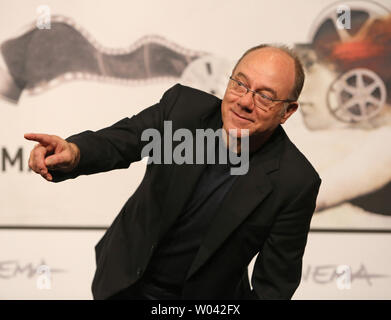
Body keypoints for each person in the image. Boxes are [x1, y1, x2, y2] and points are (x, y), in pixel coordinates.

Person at [25, 44, 321, 300]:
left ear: (288, 111)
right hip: (125, 282)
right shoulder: (183, 111)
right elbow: (123, 140)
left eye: (265, 97)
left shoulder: (295, 181)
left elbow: (275, 285)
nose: (244, 102)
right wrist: (76, 152)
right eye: (239, 84)